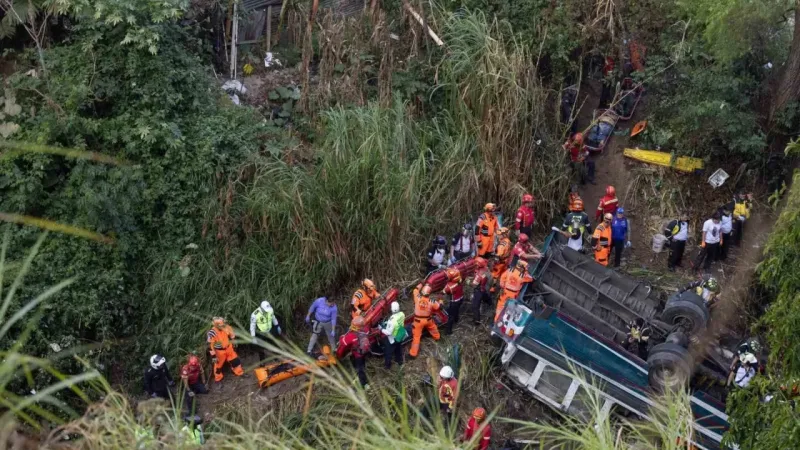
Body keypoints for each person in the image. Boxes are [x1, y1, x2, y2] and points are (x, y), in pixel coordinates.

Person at [336, 316, 371, 389]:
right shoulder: (366, 329)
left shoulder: (351, 336)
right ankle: (360, 377)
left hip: (357, 354)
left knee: (360, 369)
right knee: (362, 365)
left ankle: (364, 384)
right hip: (364, 352)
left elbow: (344, 343)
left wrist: (342, 337)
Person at [207, 317, 244, 383]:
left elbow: (232, 336)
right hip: (219, 351)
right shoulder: (212, 333)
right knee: (218, 365)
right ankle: (218, 379)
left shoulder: (227, 327)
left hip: (229, 348)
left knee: (235, 360)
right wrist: (214, 357)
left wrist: (234, 343)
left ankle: (239, 372)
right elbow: (210, 346)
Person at [409, 284, 442, 358]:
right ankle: (437, 338)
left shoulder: (417, 297)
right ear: (429, 293)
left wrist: (421, 284)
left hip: (417, 321)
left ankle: (413, 354)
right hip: (428, 320)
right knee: (433, 328)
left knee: (416, 337)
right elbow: (440, 307)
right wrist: (440, 300)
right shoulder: (432, 301)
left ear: (422, 292)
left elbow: (415, 290)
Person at [380, 301, 406, 369]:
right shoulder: (402, 314)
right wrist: (387, 322)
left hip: (393, 337)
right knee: (398, 348)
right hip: (400, 334)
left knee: (388, 351)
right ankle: (399, 361)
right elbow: (397, 321)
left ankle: (387, 366)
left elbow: (388, 332)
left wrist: (381, 329)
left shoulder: (391, 321)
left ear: (391, 309)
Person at [489, 227, 512, 294]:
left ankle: (492, 288)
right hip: (506, 261)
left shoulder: (501, 246)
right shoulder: (508, 241)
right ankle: (504, 286)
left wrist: (493, 263)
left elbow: (497, 257)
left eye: (499, 235)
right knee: (503, 274)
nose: (498, 236)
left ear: (504, 235)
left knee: (494, 275)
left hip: (500, 263)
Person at [444, 268, 465, 335]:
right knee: (457, 310)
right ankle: (456, 320)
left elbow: (444, 292)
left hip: (454, 301)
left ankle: (448, 331)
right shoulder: (460, 279)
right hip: (461, 298)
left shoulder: (449, 286)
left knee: (451, 316)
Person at [471, 257, 491, 325]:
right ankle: (490, 303)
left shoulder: (479, 274)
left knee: (475, 306)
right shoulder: (486, 268)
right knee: (486, 296)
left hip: (479, 290)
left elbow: (474, 285)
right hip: (485, 287)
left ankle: (476, 321)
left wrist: (469, 282)